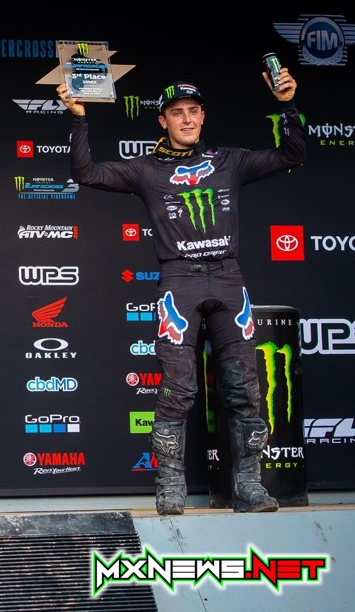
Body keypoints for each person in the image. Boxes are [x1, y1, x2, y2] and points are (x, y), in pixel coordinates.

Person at [57, 65, 304, 515]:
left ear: (203, 116)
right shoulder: (146, 169)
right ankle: (170, 487)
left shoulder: (229, 161)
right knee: (177, 387)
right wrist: (78, 117)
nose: (187, 119)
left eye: (193, 111)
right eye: (177, 113)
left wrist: (287, 105)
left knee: (245, 387)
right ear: (163, 121)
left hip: (228, 279)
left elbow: (292, 154)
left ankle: (249, 487)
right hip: (178, 281)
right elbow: (86, 173)